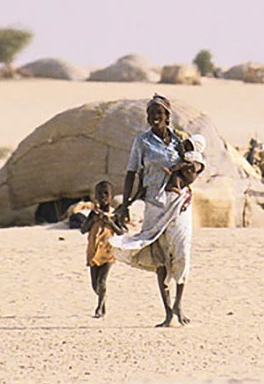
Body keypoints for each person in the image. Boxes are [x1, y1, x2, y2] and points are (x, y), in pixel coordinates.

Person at [111, 94, 202, 327]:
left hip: (179, 203)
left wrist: (183, 171)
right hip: (154, 203)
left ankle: (180, 304)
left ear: (167, 116)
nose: (155, 118)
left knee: (182, 251)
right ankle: (168, 311)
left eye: (159, 114)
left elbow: (196, 164)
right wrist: (126, 203)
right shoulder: (141, 142)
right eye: (152, 114)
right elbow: (132, 172)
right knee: (160, 256)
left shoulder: (180, 141)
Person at [80, 181, 127, 318]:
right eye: (100, 194)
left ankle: (99, 308)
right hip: (94, 251)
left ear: (112, 196)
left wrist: (110, 223)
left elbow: (122, 232)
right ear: (95, 196)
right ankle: (103, 302)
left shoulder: (115, 214)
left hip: (108, 250)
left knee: (102, 281)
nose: (103, 197)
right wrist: (92, 220)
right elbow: (83, 230)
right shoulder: (93, 213)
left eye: (106, 193)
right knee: (95, 285)